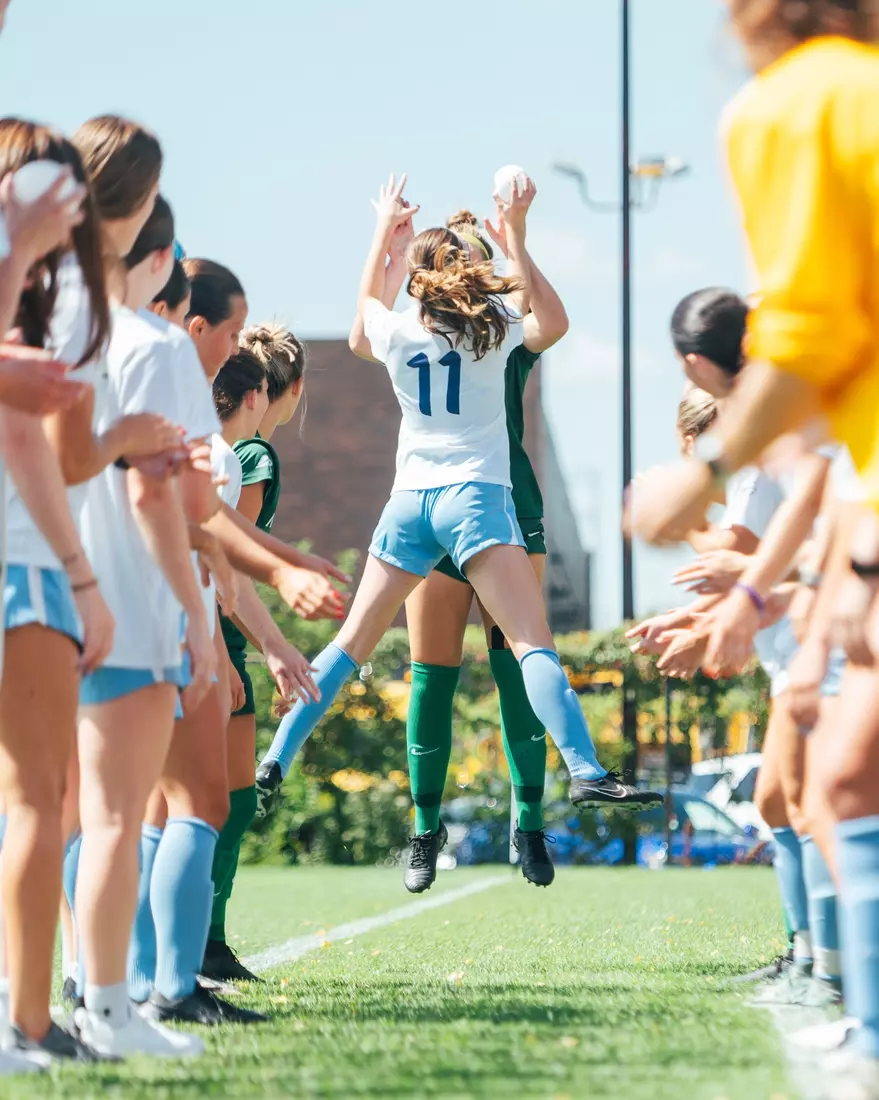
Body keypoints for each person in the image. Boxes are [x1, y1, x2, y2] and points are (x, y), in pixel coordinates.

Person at [256, 173, 660, 845]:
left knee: (350, 645)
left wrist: (383, 235)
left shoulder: (397, 330)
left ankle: (277, 756)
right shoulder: (494, 327)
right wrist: (519, 240)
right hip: (476, 500)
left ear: (418, 278)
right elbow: (553, 322)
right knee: (530, 642)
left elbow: (361, 318)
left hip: (408, 503)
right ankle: (583, 767)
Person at [347, 205, 568, 892]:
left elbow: (547, 320)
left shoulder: (502, 327)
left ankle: (527, 822)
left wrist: (518, 241)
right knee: (430, 670)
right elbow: (363, 331)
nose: (450, 271)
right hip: (433, 503)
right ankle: (423, 829)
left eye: (462, 259)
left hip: (505, 504)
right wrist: (384, 244)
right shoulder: (411, 332)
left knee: (517, 663)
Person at [204, 323, 315, 983]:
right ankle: (200, 945)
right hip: (215, 632)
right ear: (290, 389)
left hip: (222, 630)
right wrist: (273, 647)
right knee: (219, 800)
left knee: (230, 798)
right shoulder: (253, 456)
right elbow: (228, 561)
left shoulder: (242, 450)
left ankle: (201, 945)